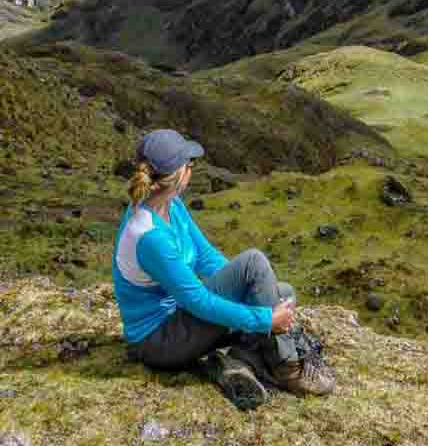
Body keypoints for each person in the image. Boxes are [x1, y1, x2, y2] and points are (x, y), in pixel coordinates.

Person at [112, 129, 335, 404]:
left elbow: (205, 256)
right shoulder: (148, 236)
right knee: (256, 267)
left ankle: (238, 363)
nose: (192, 169)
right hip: (159, 341)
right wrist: (264, 319)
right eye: (189, 164)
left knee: (280, 292)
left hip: (181, 321)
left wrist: (250, 289)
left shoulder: (171, 205)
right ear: (179, 175)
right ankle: (287, 368)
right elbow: (197, 300)